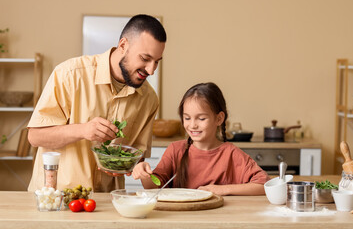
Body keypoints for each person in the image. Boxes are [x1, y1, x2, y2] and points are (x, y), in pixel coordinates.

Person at [27, 14, 167, 192]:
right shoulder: (70, 74)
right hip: (56, 198)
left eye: (156, 62)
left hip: (108, 202)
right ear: (123, 45)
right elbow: (35, 136)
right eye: (145, 59)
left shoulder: (149, 99)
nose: (151, 70)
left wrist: (129, 166)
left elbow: (137, 156)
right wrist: (83, 130)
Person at [132, 82, 269, 196]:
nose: (192, 125)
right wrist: (144, 175)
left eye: (201, 118)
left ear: (219, 118)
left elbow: (264, 185)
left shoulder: (231, 153)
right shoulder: (175, 150)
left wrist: (222, 189)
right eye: (187, 118)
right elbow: (154, 188)